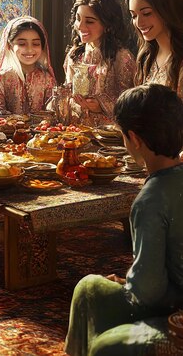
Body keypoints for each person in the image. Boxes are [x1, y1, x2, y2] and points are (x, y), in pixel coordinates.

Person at [65, 83, 183, 356]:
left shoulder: (151, 200)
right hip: (171, 295)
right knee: (89, 288)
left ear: (134, 138)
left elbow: (148, 293)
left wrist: (131, 285)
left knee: (104, 346)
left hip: (176, 315)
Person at [64, 0, 136, 126]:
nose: (80, 26)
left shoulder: (122, 58)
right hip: (74, 132)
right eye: (78, 19)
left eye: (89, 22)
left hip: (109, 137)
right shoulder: (74, 55)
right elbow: (68, 94)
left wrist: (100, 105)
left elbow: (131, 104)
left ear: (107, 25)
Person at [126, 0, 183, 98]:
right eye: (134, 16)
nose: (139, 23)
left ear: (167, 9)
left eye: (146, 13)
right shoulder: (146, 58)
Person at [0, 16, 56, 114]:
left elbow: (52, 112)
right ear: (9, 45)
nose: (29, 50)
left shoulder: (47, 78)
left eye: (35, 44)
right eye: (22, 44)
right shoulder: (3, 77)